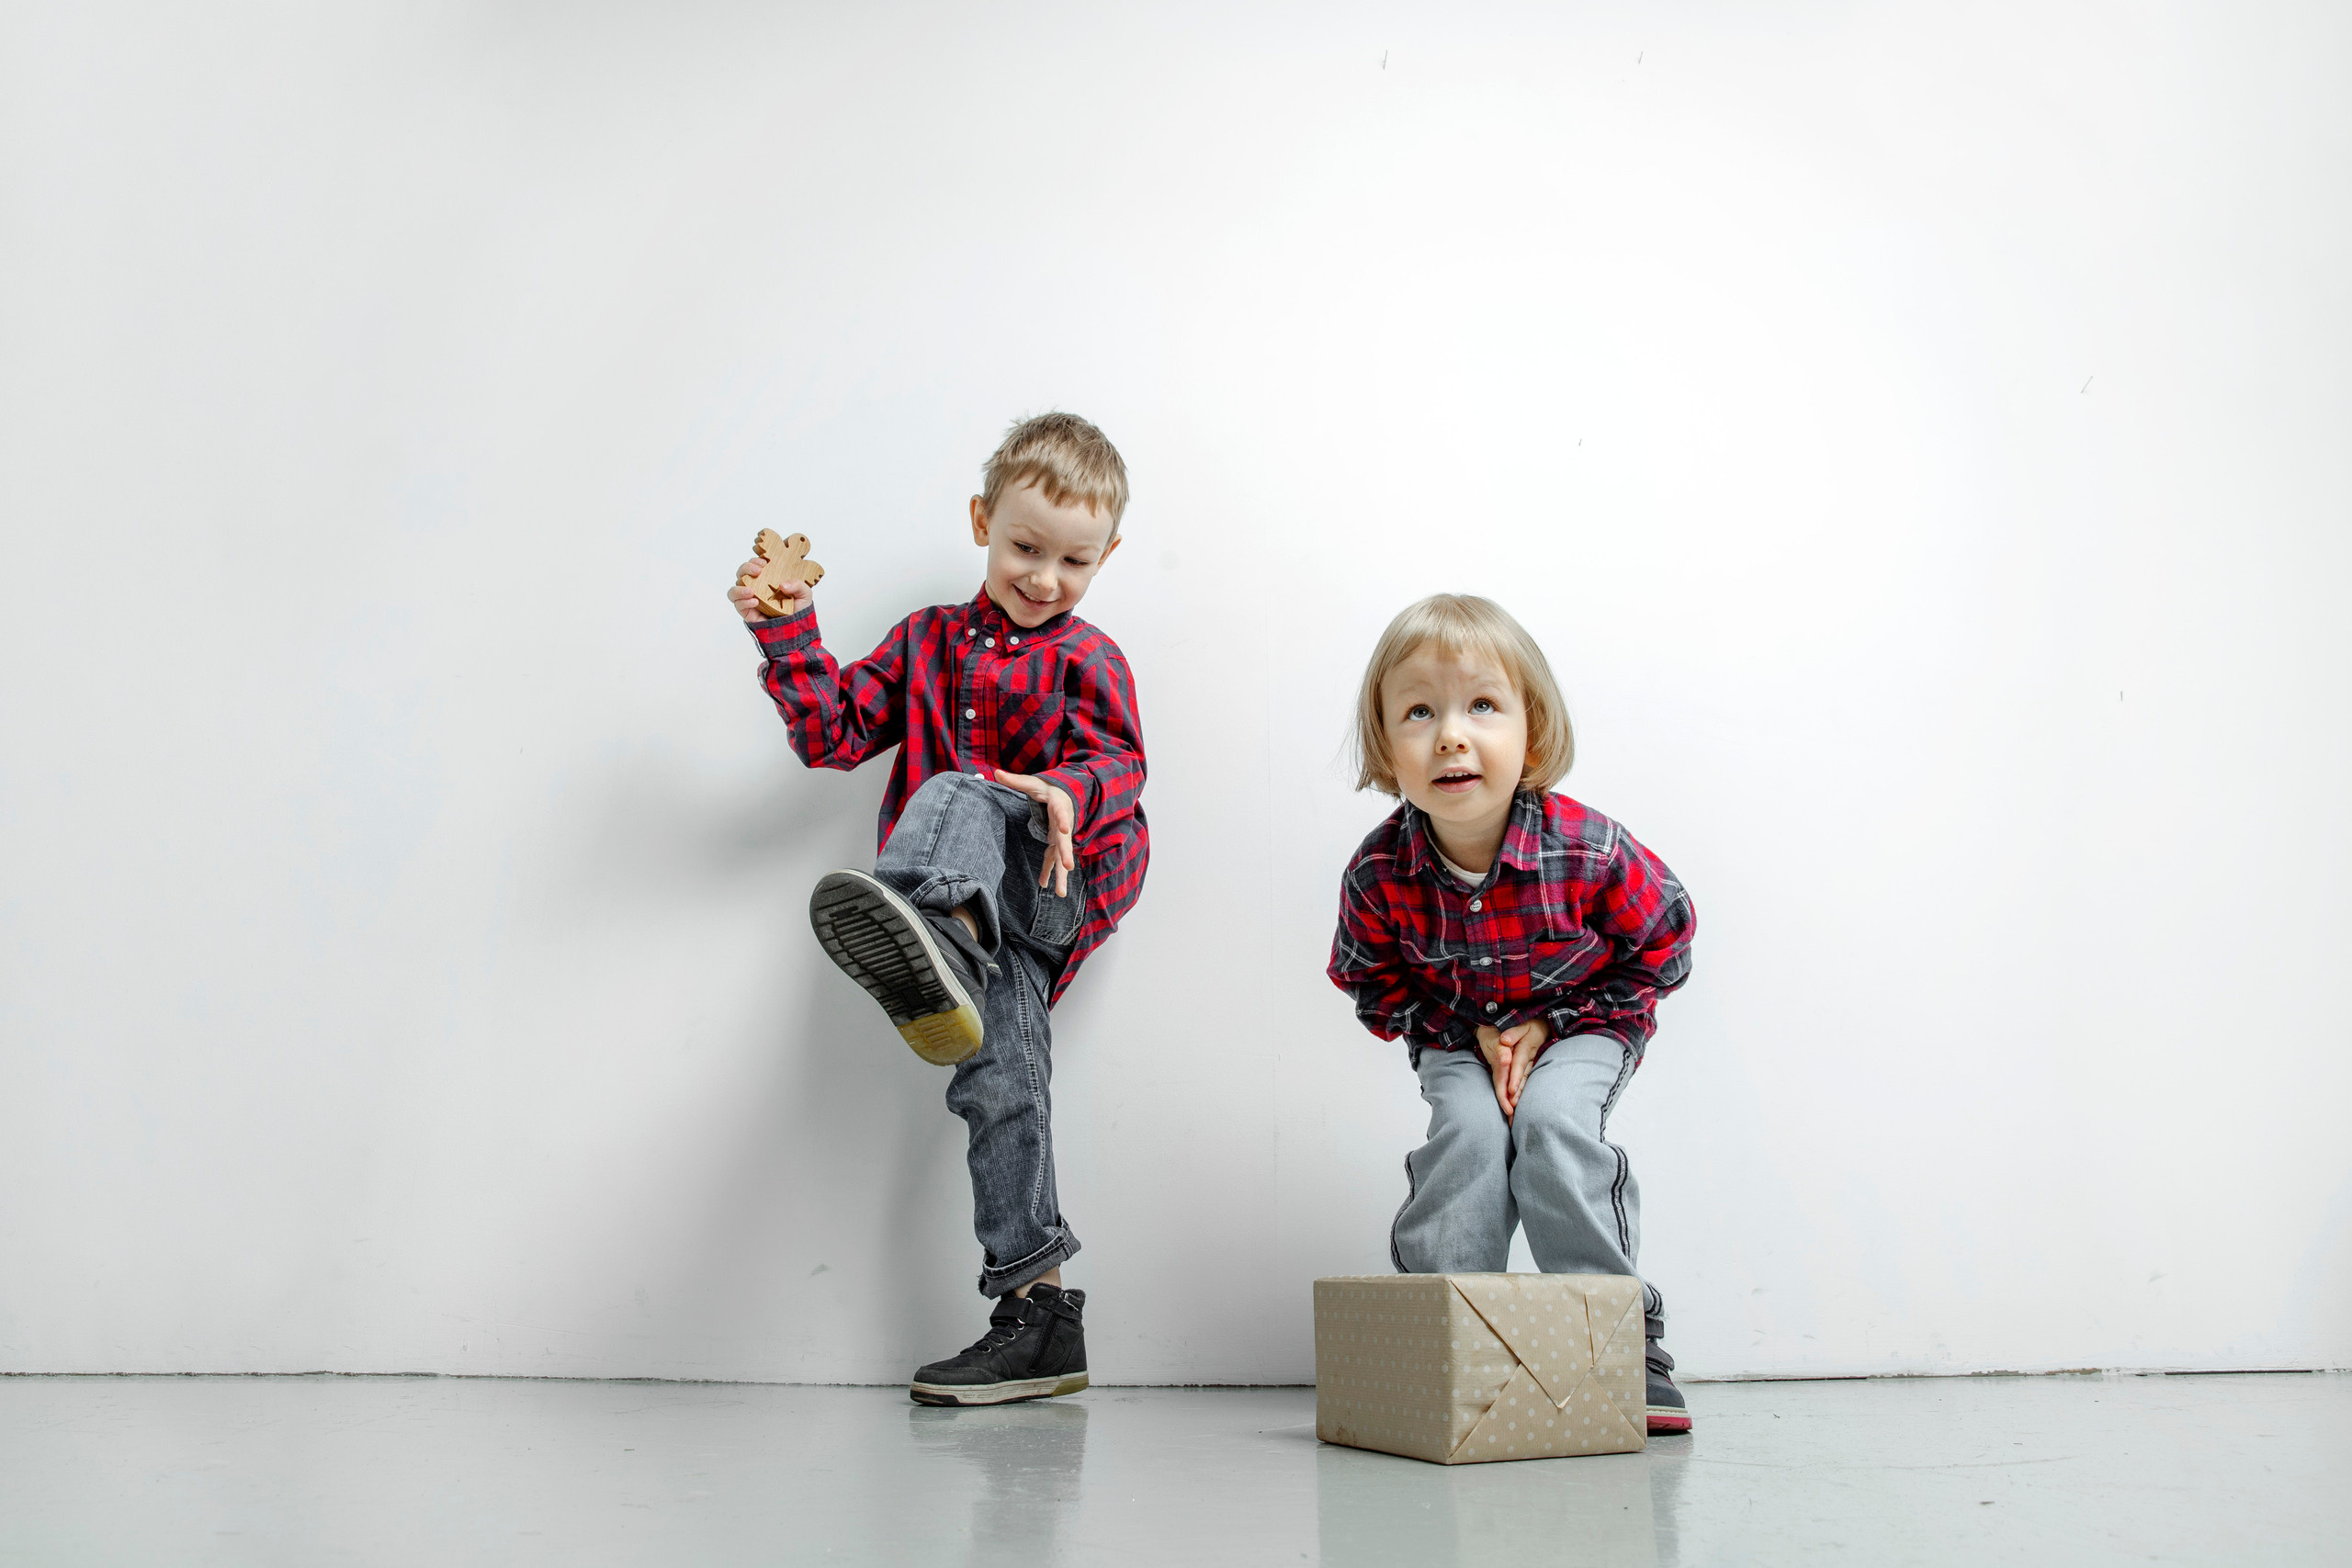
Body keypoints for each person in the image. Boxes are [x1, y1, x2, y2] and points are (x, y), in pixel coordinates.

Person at [729, 412, 1147, 1405]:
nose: (1044, 577)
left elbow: (1122, 765)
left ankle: (935, 936)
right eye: (1025, 548)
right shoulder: (924, 641)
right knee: (999, 1078)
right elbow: (831, 734)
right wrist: (789, 633)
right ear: (981, 522)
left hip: (1048, 888)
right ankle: (1040, 1319)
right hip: (984, 928)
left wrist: (1066, 793)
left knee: (960, 788)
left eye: (1074, 561)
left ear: (1108, 557)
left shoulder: (1089, 657)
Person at [1327, 593, 1698, 1433]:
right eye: (1419, 712)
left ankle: (1619, 1334)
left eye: (1482, 706)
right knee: (1470, 1134)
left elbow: (1666, 942)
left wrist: (1555, 1026)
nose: (1451, 734)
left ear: (1532, 731)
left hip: (1586, 1019)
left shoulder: (1589, 848)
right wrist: (1469, 1036)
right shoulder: (1379, 872)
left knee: (1556, 1121)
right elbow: (1369, 981)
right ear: (1389, 746)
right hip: (1460, 1032)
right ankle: (1445, 1334)